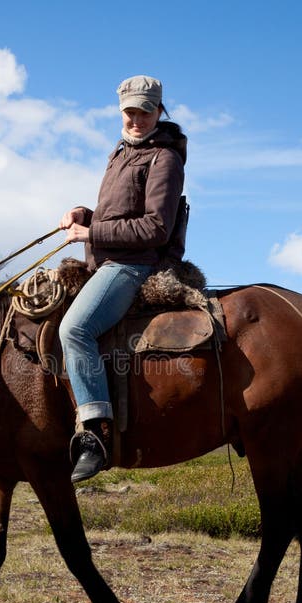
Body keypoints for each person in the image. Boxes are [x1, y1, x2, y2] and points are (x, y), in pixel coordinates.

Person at [59, 75, 187, 482]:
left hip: (132, 266)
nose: (136, 119)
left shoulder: (163, 158)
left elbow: (155, 229)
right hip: (105, 262)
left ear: (158, 112)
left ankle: (94, 435)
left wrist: (91, 233)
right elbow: (118, 216)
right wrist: (84, 214)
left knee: (75, 330)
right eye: (130, 111)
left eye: (145, 112)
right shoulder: (121, 153)